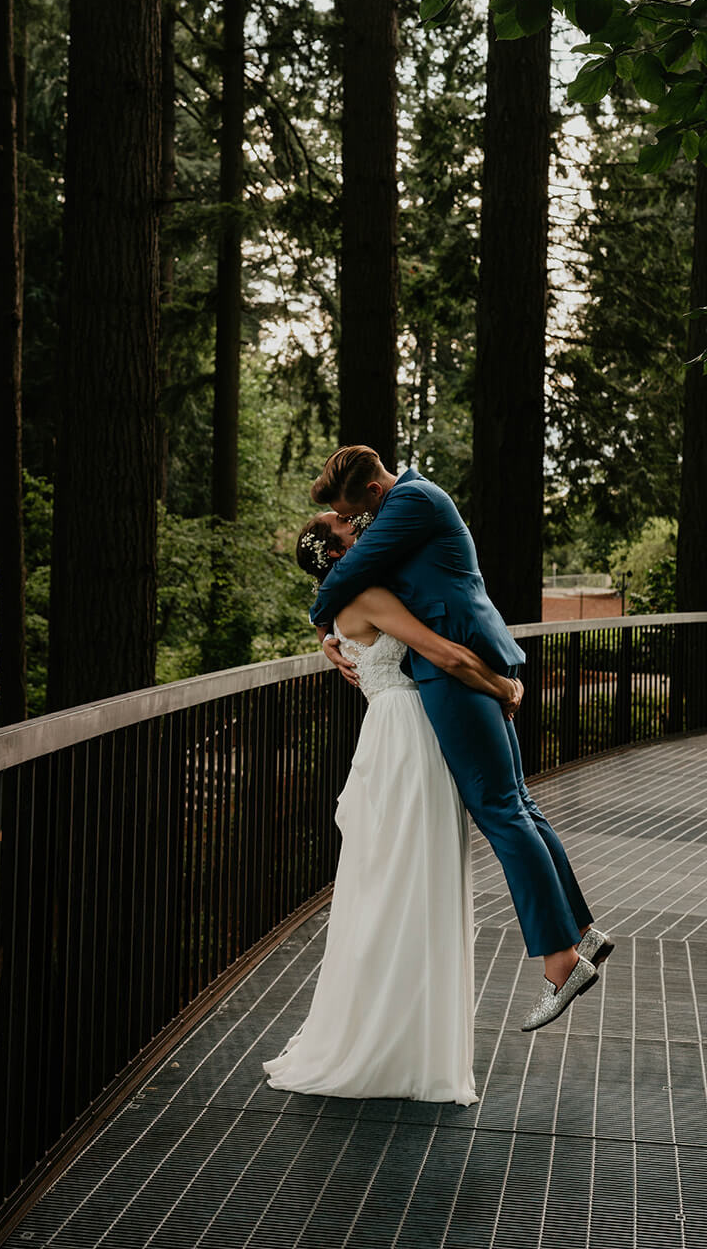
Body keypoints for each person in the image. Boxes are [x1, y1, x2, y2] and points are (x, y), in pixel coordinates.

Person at [309, 445, 612, 1032]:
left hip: (454, 672)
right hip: (462, 666)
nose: (357, 529)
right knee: (517, 803)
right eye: (346, 525)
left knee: (501, 810)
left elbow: (347, 573)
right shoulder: (407, 507)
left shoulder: (412, 501)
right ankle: (577, 932)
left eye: (354, 516)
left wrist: (323, 621)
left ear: (374, 493)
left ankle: (560, 964)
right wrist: (335, 637)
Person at [262, 513, 523, 1104]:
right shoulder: (373, 594)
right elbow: (445, 654)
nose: (366, 531)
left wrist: (325, 636)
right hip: (410, 735)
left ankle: (391, 1035)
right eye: (351, 530)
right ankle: (407, 1046)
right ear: (338, 552)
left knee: (386, 884)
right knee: (416, 879)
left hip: (384, 734)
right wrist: (503, 687)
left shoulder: (343, 606)